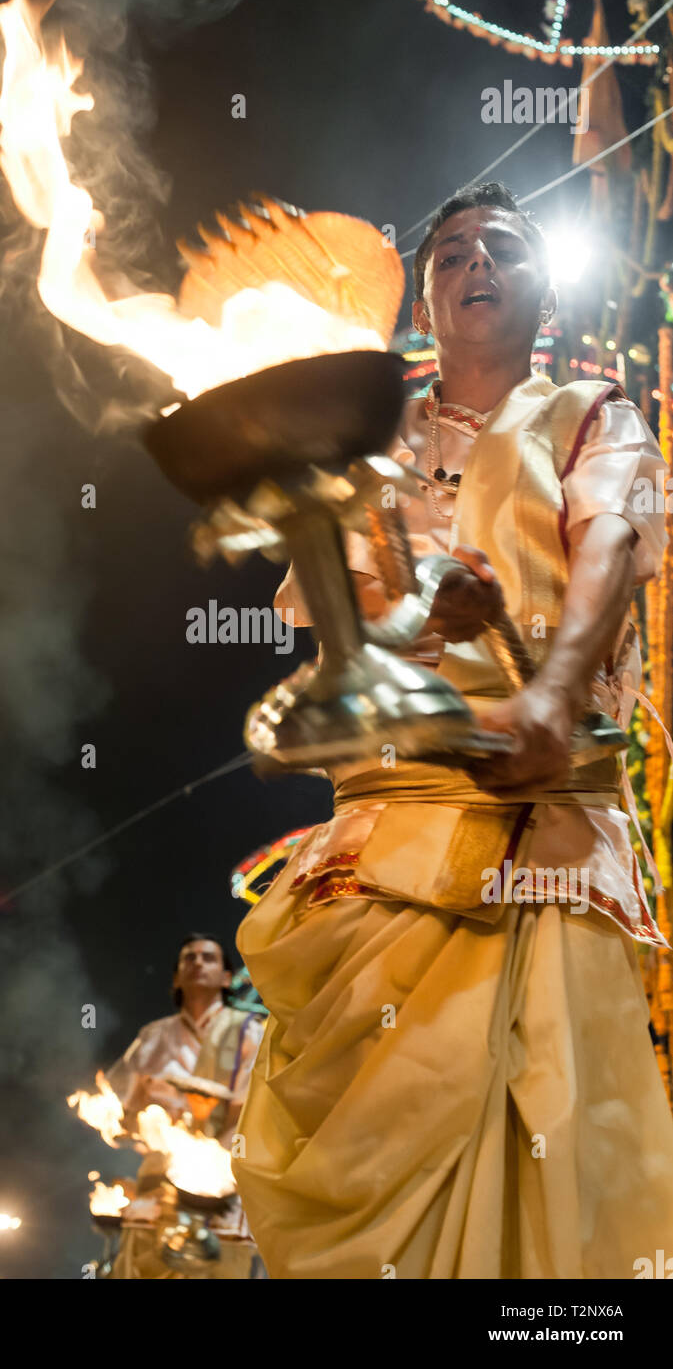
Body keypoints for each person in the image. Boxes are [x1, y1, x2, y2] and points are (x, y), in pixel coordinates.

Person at [230, 181, 673, 1280]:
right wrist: (425, 614)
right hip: (386, 844)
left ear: (543, 284)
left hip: (546, 841)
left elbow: (609, 553)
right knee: (367, 1143)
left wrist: (546, 698)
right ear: (423, 298)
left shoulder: (591, 414)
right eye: (451, 253)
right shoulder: (361, 457)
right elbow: (344, 649)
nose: (476, 265)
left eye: (503, 249)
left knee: (553, 1136)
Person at [104, 933, 265, 1278]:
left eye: (208, 958)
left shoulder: (250, 1033)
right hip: (157, 1187)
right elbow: (121, 1113)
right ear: (176, 977)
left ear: (226, 977)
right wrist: (145, 1114)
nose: (197, 963)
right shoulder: (153, 1036)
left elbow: (255, 1110)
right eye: (188, 958)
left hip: (223, 1189)